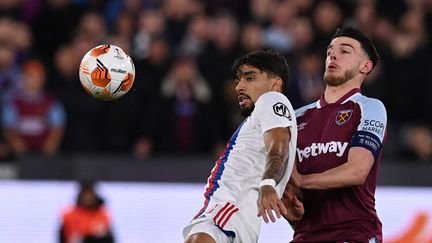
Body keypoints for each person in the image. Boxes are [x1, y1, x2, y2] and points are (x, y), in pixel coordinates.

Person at [282, 26, 387, 242]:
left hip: (354, 232)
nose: (333, 55)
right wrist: (292, 210)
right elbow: (290, 188)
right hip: (305, 235)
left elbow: (357, 171)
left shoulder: (370, 108)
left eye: (345, 51)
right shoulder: (295, 117)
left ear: (365, 66)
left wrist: (302, 181)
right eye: (330, 50)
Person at [183, 50, 298, 243]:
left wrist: (268, 183)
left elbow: (279, 146)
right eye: (238, 80)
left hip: (226, 212)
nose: (239, 86)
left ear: (275, 84)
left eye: (250, 78)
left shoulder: (272, 99)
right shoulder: (265, 116)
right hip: (235, 219)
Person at [1, 59, 65, 158]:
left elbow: (57, 128)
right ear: (22, 78)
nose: (35, 80)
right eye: (30, 76)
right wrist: (18, 148)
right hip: (18, 157)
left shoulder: (51, 102)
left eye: (38, 77)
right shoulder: (13, 102)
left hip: (44, 157)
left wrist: (50, 147)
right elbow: (9, 128)